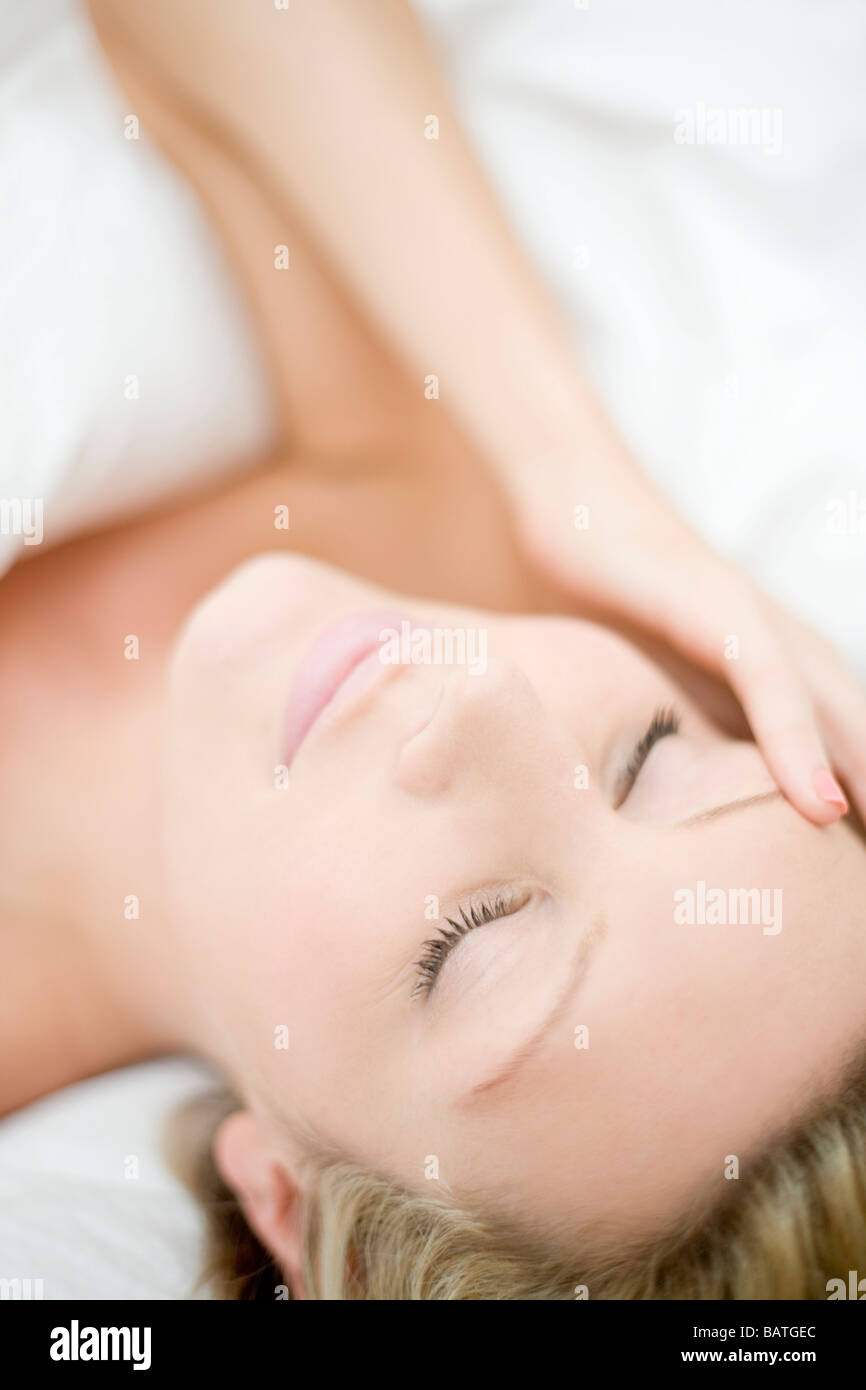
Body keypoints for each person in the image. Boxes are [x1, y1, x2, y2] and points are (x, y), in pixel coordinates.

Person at [1, 1, 863, 1299]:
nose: (478, 705)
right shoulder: (445, 536)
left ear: (285, 1199)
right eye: (646, 756)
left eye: (473, 937)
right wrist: (579, 475)